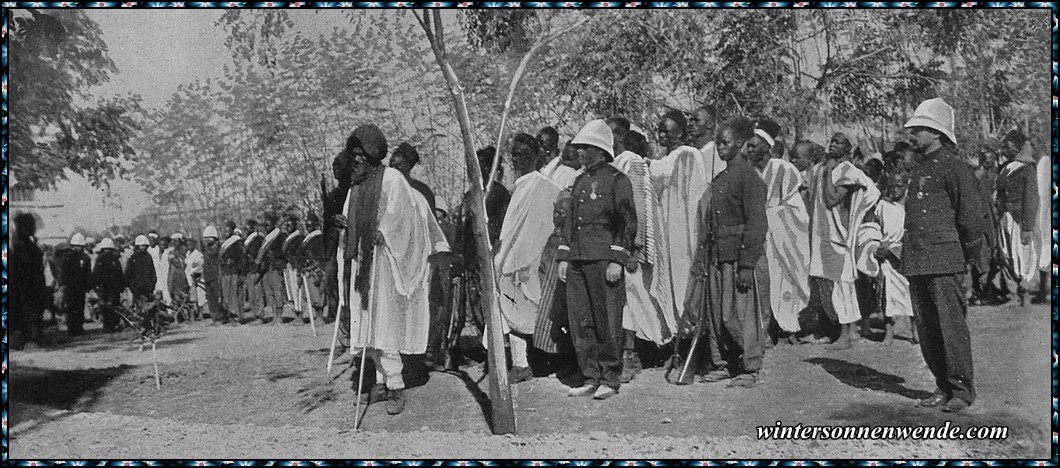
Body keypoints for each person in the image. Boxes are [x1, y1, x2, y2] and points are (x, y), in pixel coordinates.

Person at [335, 124, 449, 415]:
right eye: (354, 153)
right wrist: (346, 225)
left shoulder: (393, 179)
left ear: (374, 153)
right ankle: (378, 380)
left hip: (386, 262)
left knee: (384, 323)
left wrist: (385, 232)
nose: (357, 159)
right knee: (367, 323)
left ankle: (395, 384)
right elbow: (352, 218)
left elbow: (405, 216)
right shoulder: (356, 186)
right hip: (363, 264)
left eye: (362, 153)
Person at [902, 97, 993, 413]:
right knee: (927, 330)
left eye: (920, 129)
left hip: (946, 261)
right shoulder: (920, 168)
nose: (913, 135)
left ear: (938, 133)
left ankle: (962, 390)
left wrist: (970, 260)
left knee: (951, 327)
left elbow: (970, 217)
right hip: (918, 260)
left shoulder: (956, 168)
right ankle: (942, 385)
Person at [686, 116, 768, 387]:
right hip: (717, 257)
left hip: (740, 258)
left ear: (742, 145)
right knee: (718, 314)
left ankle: (749, 368)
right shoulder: (720, 179)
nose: (720, 148)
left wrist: (746, 266)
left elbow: (757, 224)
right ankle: (724, 363)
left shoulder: (750, 179)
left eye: (726, 142)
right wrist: (702, 259)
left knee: (742, 314)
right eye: (718, 143)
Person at [558, 119, 637, 400]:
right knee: (581, 321)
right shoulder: (579, 181)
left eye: (585, 148)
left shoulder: (618, 181)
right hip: (578, 259)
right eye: (578, 148)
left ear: (601, 151)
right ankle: (590, 375)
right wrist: (564, 256)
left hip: (603, 260)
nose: (579, 152)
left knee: (607, 320)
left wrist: (617, 259)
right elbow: (569, 223)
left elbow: (627, 223)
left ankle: (609, 377)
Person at [606, 116, 675, 383]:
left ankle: (631, 356)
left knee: (634, 299)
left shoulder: (631, 162)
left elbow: (641, 206)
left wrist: (635, 248)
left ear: (620, 136)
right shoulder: (611, 163)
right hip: (614, 244)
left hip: (630, 245)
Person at [493, 132, 562, 383]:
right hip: (512, 261)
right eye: (515, 154)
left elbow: (550, 224)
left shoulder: (544, 185)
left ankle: (550, 360)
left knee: (536, 311)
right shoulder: (519, 186)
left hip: (534, 261)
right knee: (510, 311)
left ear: (536, 156)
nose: (518, 159)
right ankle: (520, 364)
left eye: (523, 154)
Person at [648, 109, 726, 331]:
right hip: (669, 233)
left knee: (684, 282)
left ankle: (690, 335)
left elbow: (689, 196)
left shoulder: (688, 155)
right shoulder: (667, 158)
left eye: (667, 131)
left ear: (680, 132)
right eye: (659, 130)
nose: (662, 135)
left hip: (684, 233)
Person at [805, 132, 880, 350]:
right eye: (832, 141)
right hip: (823, 235)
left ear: (848, 149)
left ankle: (849, 332)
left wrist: (828, 170)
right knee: (827, 283)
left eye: (839, 142)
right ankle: (839, 330)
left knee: (842, 285)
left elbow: (831, 200)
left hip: (839, 237)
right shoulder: (822, 170)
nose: (832, 144)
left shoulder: (848, 171)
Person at [747, 121, 810, 345]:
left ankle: (789, 328)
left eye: (755, 146)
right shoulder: (751, 172)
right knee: (764, 282)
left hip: (785, 238)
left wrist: (770, 216)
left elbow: (796, 210)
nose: (750, 150)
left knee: (785, 280)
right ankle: (766, 328)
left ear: (766, 146)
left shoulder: (784, 170)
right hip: (763, 239)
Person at [864, 172, 916, 345]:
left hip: (905, 256)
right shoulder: (883, 206)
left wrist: (897, 250)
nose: (894, 190)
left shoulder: (911, 207)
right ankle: (889, 332)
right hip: (886, 258)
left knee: (911, 294)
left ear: (906, 186)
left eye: (899, 186)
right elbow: (874, 227)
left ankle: (915, 331)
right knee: (887, 295)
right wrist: (877, 247)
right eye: (891, 186)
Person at [994, 129, 1039, 306]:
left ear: (1018, 147)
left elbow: (1031, 199)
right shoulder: (1005, 168)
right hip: (1005, 217)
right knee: (1006, 254)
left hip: (1019, 219)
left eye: (1009, 145)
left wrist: (1027, 227)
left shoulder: (1027, 170)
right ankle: (1012, 292)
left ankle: (1025, 290)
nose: (1006, 148)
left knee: (1023, 254)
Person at [11, 212, 48, 348]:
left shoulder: (24, 246)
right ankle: (30, 338)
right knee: (29, 312)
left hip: (28, 287)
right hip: (27, 287)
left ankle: (29, 337)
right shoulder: (24, 247)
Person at [256, 212, 288, 325]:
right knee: (270, 293)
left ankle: (279, 316)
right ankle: (274, 316)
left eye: (269, 222)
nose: (267, 225)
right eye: (265, 223)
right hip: (267, 268)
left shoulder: (280, 235)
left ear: (274, 223)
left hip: (276, 267)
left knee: (277, 291)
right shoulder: (265, 238)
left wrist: (276, 258)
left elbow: (284, 251)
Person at [58, 233, 92, 336]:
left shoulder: (85, 257)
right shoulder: (67, 257)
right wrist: (63, 284)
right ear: (73, 246)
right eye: (76, 246)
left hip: (81, 287)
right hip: (70, 287)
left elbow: (88, 273)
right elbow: (63, 272)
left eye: (80, 246)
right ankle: (72, 328)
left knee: (80, 307)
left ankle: (79, 327)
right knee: (71, 308)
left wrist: (89, 285)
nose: (78, 248)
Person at [390, 142, 437, 213]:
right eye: (391, 166)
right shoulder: (385, 187)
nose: (393, 171)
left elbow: (431, 220)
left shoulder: (422, 190)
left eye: (397, 167)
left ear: (408, 166)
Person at [93, 238, 126, 333]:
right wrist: (97, 287)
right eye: (106, 249)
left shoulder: (115, 259)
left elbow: (119, 273)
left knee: (115, 306)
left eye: (109, 249)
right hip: (104, 287)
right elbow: (96, 274)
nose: (107, 251)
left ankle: (114, 324)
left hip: (114, 287)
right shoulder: (100, 259)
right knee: (105, 307)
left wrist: (121, 285)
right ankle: (107, 325)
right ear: (103, 249)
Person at [281, 214, 305, 324]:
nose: (288, 226)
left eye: (290, 224)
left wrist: (299, 269)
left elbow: (300, 254)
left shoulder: (299, 237)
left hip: (296, 267)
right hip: (288, 267)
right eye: (286, 224)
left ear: (295, 225)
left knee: (297, 291)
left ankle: (300, 315)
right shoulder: (287, 237)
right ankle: (295, 314)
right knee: (290, 292)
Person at [220, 220, 245, 323]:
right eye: (224, 230)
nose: (225, 232)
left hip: (234, 271)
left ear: (232, 230)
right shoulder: (224, 243)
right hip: (226, 271)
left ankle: (237, 317)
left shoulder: (237, 242)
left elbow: (241, 257)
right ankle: (230, 316)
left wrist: (240, 271)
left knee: (235, 294)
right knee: (227, 295)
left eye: (227, 230)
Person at [126, 235, 159, 311]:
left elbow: (152, 271)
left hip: (147, 287)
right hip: (136, 287)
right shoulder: (133, 257)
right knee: (138, 306)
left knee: (147, 307)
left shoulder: (148, 257)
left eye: (145, 246)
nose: (144, 247)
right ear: (137, 246)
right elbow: (128, 272)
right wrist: (130, 285)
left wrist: (153, 282)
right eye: (142, 246)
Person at [202, 225, 226, 325]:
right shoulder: (206, 248)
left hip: (216, 275)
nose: (206, 241)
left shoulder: (217, 248)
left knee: (218, 297)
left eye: (208, 238)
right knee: (210, 297)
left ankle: (221, 317)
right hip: (208, 275)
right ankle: (214, 317)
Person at [243, 220, 266, 322]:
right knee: (252, 294)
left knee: (257, 294)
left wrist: (259, 271)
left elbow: (259, 257)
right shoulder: (247, 240)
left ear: (252, 228)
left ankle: (260, 316)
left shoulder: (257, 239)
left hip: (255, 270)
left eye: (247, 227)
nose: (245, 230)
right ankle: (255, 314)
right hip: (248, 270)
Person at [168, 234, 191, 321]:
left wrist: (174, 258)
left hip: (180, 275)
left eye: (176, 241)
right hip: (174, 276)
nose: (174, 243)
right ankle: (178, 315)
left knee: (181, 295)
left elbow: (182, 263)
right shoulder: (173, 250)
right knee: (175, 296)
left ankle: (184, 315)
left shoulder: (183, 249)